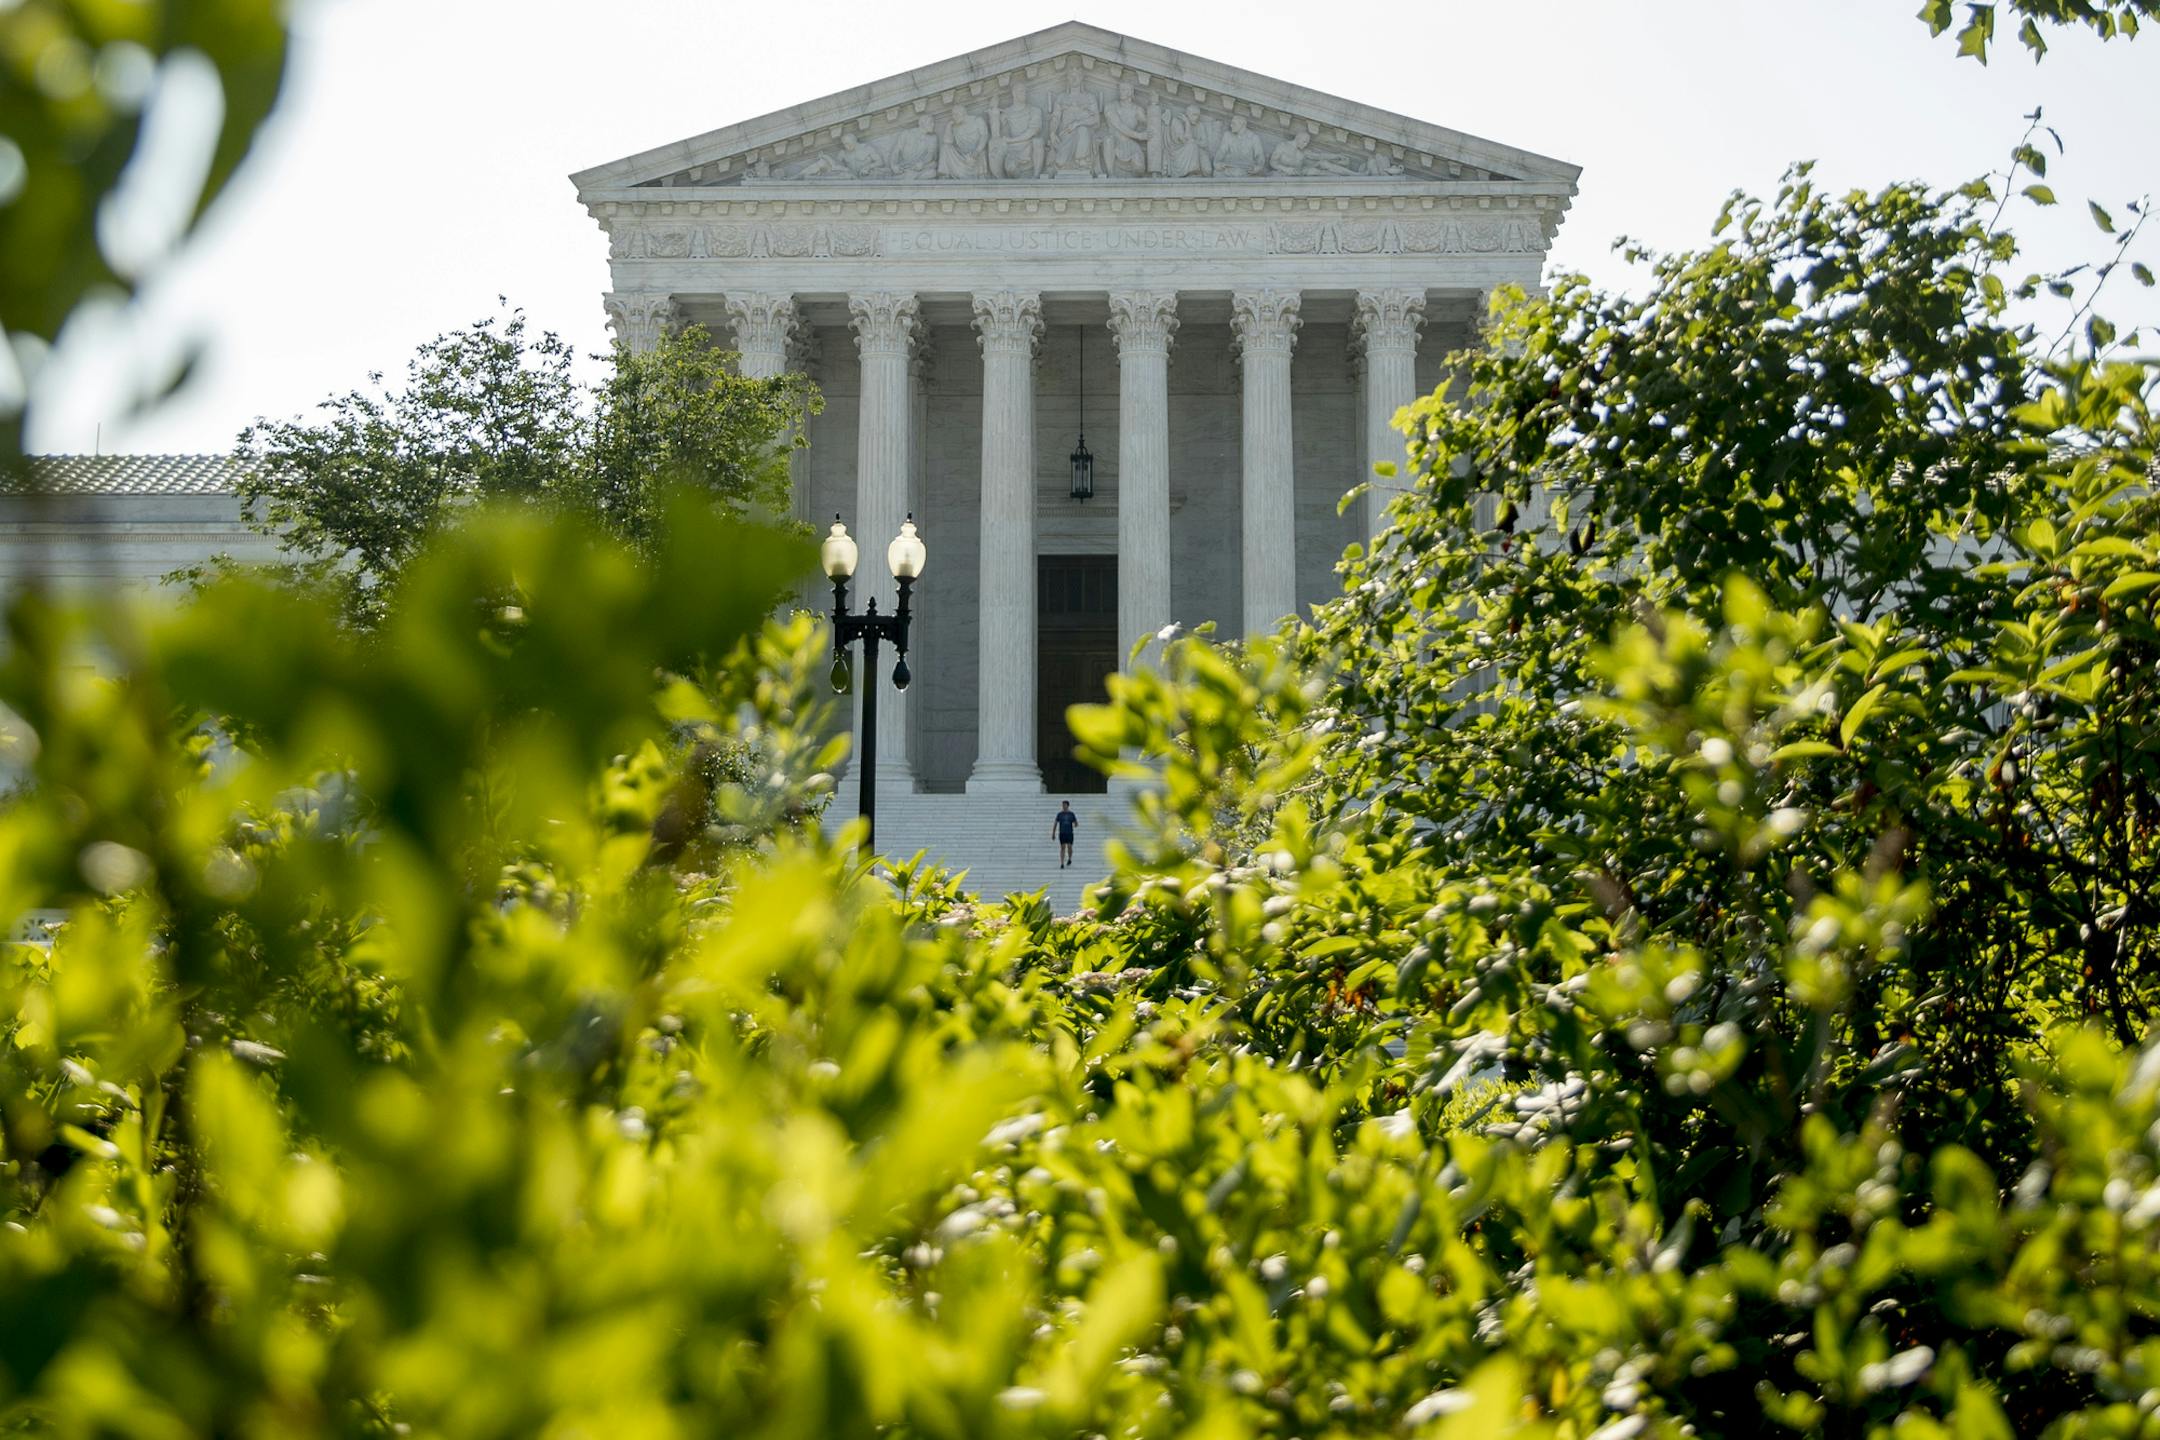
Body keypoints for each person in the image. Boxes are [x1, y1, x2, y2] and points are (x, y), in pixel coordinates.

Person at [1052, 801, 1079, 869]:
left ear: (1068, 805)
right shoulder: (1060, 814)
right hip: (1062, 833)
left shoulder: (1071, 814)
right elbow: (1055, 823)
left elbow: (1076, 823)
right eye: (1063, 805)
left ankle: (1069, 859)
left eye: (1065, 805)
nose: (1063, 806)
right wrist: (1053, 833)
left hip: (1069, 833)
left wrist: (1075, 824)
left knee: (1069, 846)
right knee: (1062, 847)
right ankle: (1062, 863)